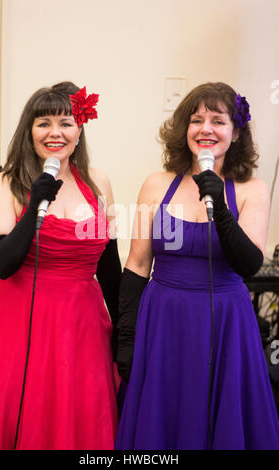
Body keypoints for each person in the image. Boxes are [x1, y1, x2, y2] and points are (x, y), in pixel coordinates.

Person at [115, 82, 279, 450]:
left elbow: (249, 263)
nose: (206, 129)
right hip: (164, 322)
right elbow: (138, 265)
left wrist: (219, 206)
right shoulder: (156, 185)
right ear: (183, 130)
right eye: (196, 120)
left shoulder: (253, 189)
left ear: (235, 133)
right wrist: (125, 340)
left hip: (226, 323)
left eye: (218, 120)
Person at [0, 81, 121, 450]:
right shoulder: (6, 183)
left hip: (82, 327)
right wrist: (37, 200)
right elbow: (2, 263)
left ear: (80, 130)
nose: (55, 132)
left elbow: (110, 270)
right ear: (29, 130)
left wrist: (127, 337)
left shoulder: (99, 183)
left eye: (66, 122)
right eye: (44, 123)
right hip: (18, 322)